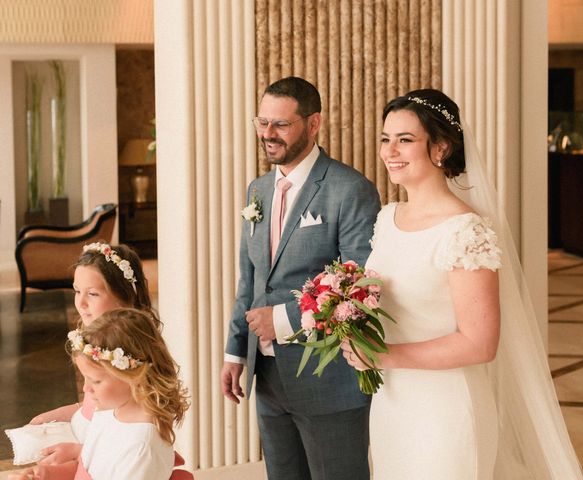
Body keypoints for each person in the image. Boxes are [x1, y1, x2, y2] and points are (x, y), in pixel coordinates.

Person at [340, 89, 583, 479]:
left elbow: (480, 343)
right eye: (386, 139)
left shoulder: (464, 230)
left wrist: (384, 355)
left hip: (446, 411)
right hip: (393, 402)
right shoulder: (387, 219)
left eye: (405, 140)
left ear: (440, 148)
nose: (390, 151)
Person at [220, 76, 381, 480]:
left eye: (281, 124)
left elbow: (359, 285)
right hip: (269, 377)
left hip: (329, 380)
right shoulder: (257, 191)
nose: (267, 134)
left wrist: (282, 319)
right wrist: (236, 351)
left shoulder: (351, 189)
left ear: (313, 125)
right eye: (262, 122)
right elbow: (252, 280)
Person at [27, 243, 163, 475]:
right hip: (86, 443)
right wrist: (55, 416)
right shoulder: (95, 341)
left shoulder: (128, 357)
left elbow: (124, 440)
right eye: (77, 291)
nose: (80, 303)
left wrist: (79, 452)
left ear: (125, 298)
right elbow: (91, 406)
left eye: (92, 294)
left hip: (96, 456)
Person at [10, 308, 190, 480]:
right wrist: (44, 475)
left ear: (134, 376)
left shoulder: (140, 448)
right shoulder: (108, 412)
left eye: (95, 381)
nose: (85, 388)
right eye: (85, 378)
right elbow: (87, 470)